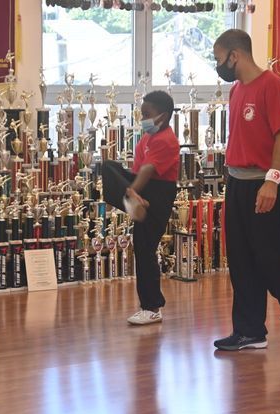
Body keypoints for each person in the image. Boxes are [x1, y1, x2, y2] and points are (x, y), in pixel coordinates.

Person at [213, 29, 280, 351]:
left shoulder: (271, 85)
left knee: (270, 260)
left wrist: (272, 181)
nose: (217, 65)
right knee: (241, 260)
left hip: (264, 183)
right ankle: (249, 331)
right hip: (237, 183)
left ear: (235, 55)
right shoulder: (235, 90)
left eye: (219, 59)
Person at [102, 90, 179, 325]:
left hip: (157, 193)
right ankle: (133, 202)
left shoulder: (166, 140)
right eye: (141, 113)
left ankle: (152, 307)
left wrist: (133, 189)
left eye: (147, 114)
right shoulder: (148, 137)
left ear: (162, 117)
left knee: (145, 249)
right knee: (107, 166)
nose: (142, 118)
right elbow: (139, 168)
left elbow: (148, 170)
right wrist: (131, 188)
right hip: (142, 190)